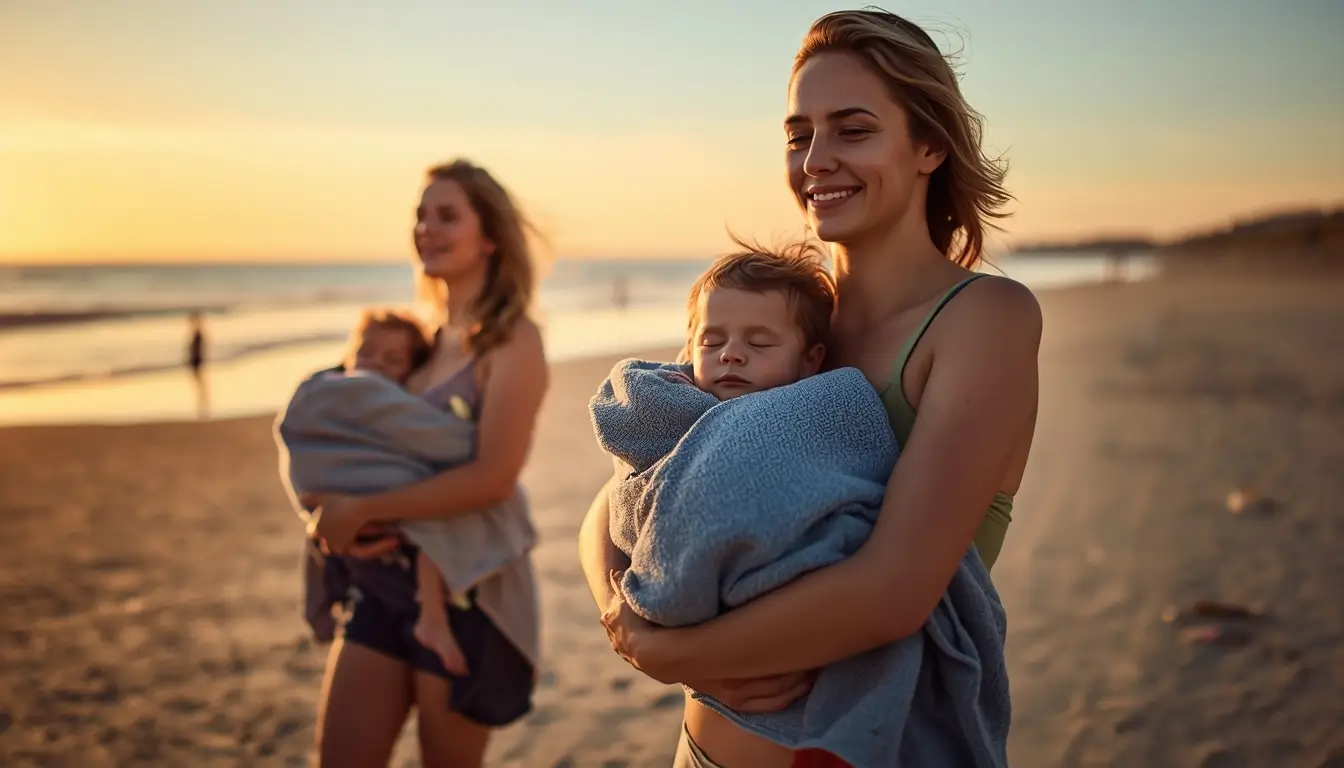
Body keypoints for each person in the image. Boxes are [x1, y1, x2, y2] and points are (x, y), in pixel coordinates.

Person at [578, 9, 1041, 768]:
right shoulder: (777, 320)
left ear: (929, 145)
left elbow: (895, 589)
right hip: (698, 751)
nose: (816, 159)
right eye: (799, 136)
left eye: (853, 130)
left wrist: (673, 654)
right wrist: (623, 622)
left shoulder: (984, 319)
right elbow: (625, 492)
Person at [302, 159, 548, 768]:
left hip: (467, 596)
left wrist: (362, 508)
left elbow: (494, 477)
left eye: (446, 216)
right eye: (420, 215)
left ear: (489, 235)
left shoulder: (513, 340)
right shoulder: (415, 344)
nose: (426, 229)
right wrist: (342, 523)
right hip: (383, 587)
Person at [186, 311, 208, 419]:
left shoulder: (198, 334)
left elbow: (198, 350)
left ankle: (203, 406)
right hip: (197, 361)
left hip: (197, 361)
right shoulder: (197, 333)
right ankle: (202, 406)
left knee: (201, 385)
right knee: (200, 385)